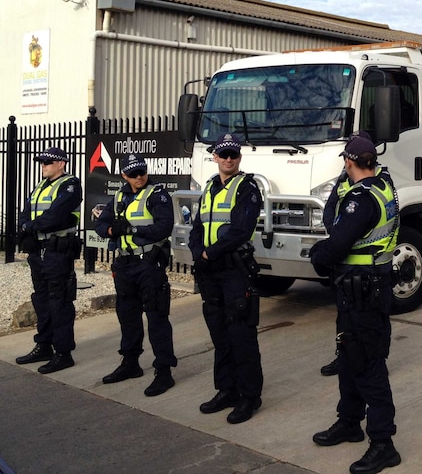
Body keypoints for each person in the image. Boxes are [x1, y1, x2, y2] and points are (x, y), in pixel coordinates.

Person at [309, 135, 402, 474]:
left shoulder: (360, 199)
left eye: (345, 165)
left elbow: (335, 237)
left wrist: (317, 256)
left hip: (364, 292)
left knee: (368, 367)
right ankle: (349, 422)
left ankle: (383, 444)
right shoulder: (384, 184)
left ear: (348, 163)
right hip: (363, 290)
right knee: (349, 360)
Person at [189, 133, 264, 424]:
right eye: (224, 155)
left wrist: (209, 254)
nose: (229, 159)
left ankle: (249, 397)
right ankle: (226, 390)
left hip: (233, 271)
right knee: (219, 335)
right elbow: (198, 227)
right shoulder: (209, 187)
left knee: (241, 335)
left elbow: (241, 231)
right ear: (216, 157)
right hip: (211, 273)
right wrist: (198, 253)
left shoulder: (247, 188)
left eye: (233, 154)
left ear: (239, 158)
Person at [94, 154, 177, 396]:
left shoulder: (157, 194)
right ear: (124, 176)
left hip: (148, 264)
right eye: (133, 174)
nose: (139, 177)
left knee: (157, 318)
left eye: (142, 172)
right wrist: (110, 229)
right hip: (124, 265)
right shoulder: (119, 195)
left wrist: (129, 228)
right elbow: (100, 224)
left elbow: (163, 226)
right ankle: (130, 364)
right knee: (127, 317)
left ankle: (164, 372)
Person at [15, 146, 82, 374]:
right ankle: (44, 345)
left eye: (47, 162)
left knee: (59, 300)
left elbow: (56, 215)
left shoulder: (71, 185)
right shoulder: (41, 186)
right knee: (41, 299)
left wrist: (31, 228)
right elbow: (25, 211)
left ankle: (63, 353)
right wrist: (25, 227)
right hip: (39, 251)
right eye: (42, 163)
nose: (43, 166)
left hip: (58, 251)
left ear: (61, 163)